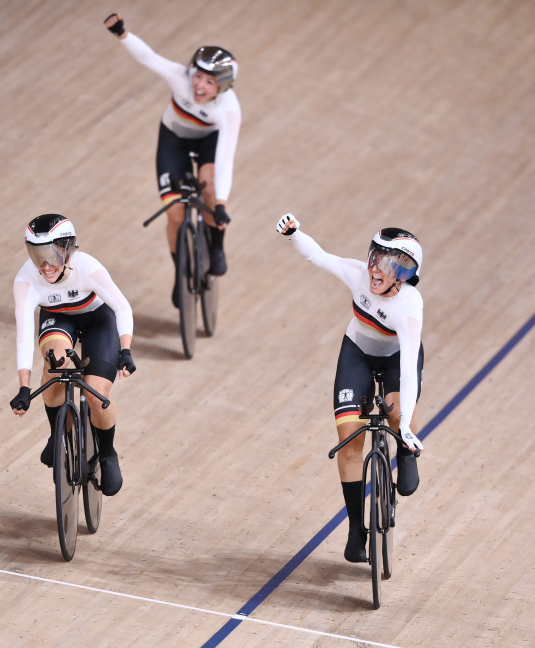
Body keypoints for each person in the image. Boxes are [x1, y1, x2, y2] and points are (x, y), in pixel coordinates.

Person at [275, 214, 425, 563]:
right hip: (357, 350)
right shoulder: (359, 274)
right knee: (349, 441)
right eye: (374, 255)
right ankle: (357, 528)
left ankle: (404, 453)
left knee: (399, 411)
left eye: (385, 262)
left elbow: (408, 371)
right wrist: (295, 235)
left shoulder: (409, 306)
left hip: (396, 357)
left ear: (403, 273)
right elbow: (320, 256)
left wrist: (403, 429)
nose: (374, 267)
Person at [104, 12, 241, 306]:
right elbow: (149, 58)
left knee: (210, 189)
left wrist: (219, 206)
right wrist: (123, 34)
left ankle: (216, 247)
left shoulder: (229, 110)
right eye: (199, 77)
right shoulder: (181, 78)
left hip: (208, 142)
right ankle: (181, 272)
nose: (199, 87)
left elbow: (225, 160)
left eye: (209, 83)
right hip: (173, 140)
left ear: (223, 87)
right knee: (175, 214)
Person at [9, 214, 136, 496]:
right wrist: (23, 386)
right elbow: (23, 336)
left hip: (97, 321)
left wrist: (125, 349)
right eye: (35, 254)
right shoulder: (26, 280)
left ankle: (107, 453)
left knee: (95, 394)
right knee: (55, 364)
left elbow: (123, 309)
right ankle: (59, 434)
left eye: (49, 254)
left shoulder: (88, 268)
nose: (43, 265)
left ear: (66, 250)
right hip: (58, 320)